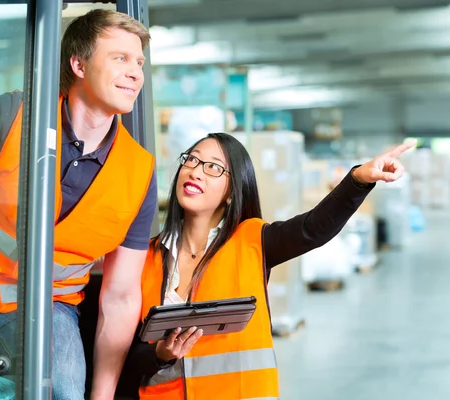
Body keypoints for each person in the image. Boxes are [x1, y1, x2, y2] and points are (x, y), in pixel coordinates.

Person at [0, 9, 156, 400]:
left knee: (63, 391)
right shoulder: (9, 116)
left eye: (139, 63)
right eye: (120, 58)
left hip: (50, 308)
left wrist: (101, 397)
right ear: (78, 64)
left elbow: (121, 296)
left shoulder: (140, 173)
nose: (136, 73)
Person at [118, 133, 415, 399]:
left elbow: (313, 229)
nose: (196, 171)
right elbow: (124, 356)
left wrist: (359, 180)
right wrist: (160, 353)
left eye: (213, 167)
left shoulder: (253, 242)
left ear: (233, 191)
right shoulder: (145, 258)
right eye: (192, 160)